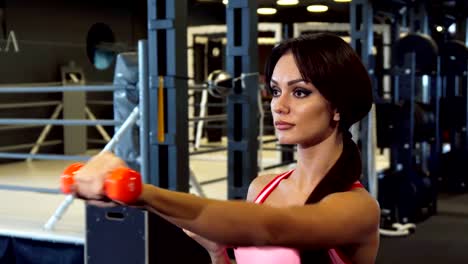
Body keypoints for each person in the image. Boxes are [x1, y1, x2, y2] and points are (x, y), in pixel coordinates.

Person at [73, 33, 380, 264]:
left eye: (300, 92)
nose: (278, 106)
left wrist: (141, 192)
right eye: (274, 91)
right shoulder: (262, 188)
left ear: (337, 107)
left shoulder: (357, 208)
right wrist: (218, 253)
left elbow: (271, 228)